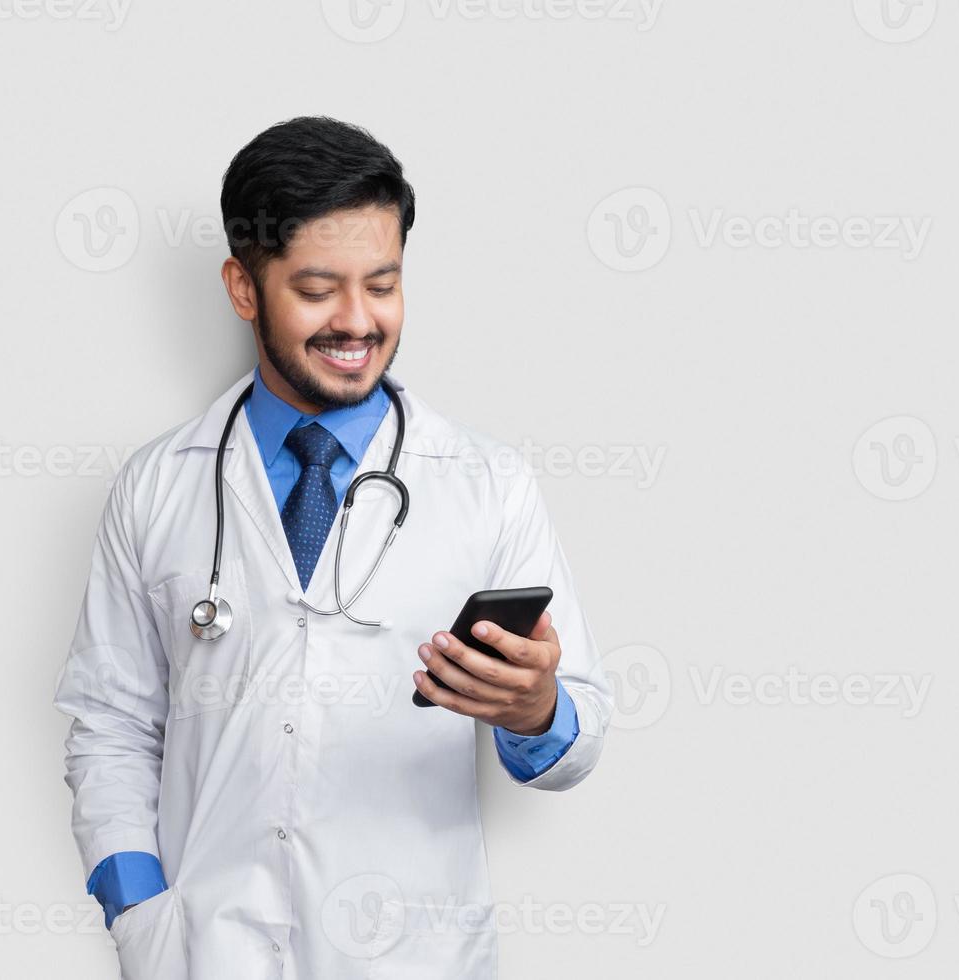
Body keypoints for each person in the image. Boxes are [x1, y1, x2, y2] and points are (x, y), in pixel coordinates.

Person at [51, 116, 613, 980]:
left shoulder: (487, 484)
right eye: (318, 289)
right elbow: (113, 723)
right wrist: (139, 910)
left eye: (383, 285)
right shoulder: (159, 484)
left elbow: (578, 739)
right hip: (208, 953)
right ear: (244, 288)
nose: (358, 321)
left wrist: (534, 711)